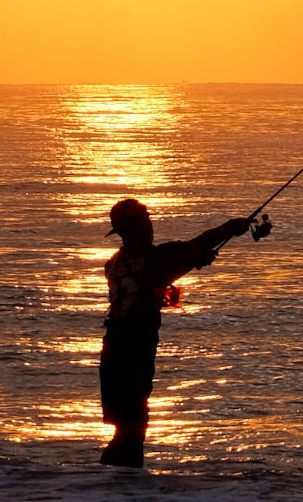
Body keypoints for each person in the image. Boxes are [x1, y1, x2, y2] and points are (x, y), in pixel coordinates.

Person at [98, 197, 251, 468]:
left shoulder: (113, 263)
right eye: (145, 220)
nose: (150, 224)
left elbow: (151, 280)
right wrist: (233, 226)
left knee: (125, 428)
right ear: (135, 228)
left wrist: (189, 264)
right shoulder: (158, 258)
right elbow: (198, 244)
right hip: (135, 348)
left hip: (112, 351)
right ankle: (123, 495)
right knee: (133, 428)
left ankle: (109, 490)